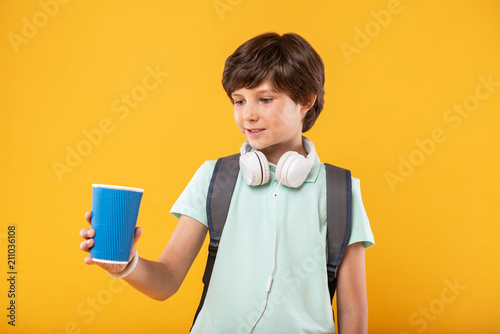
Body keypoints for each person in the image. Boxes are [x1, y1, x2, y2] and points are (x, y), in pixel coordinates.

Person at [80, 32, 374, 333]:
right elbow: (166, 281)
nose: (248, 114)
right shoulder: (215, 177)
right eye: (239, 101)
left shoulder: (340, 191)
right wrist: (127, 264)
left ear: (306, 100)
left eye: (265, 99)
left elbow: (352, 308)